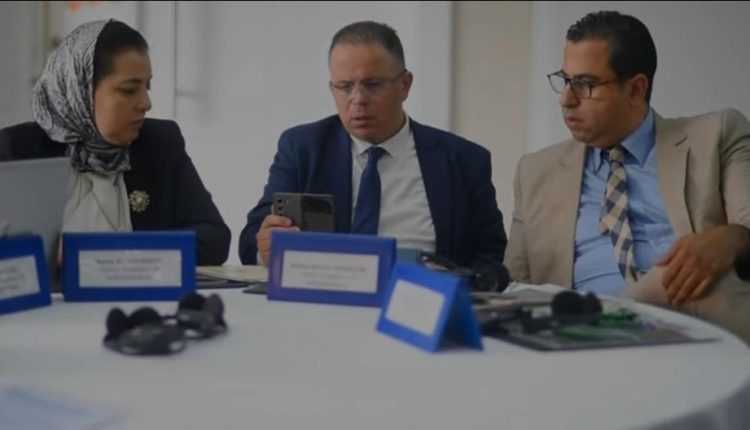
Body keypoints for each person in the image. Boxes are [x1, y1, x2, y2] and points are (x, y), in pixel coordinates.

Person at [505, 11, 750, 342]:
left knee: (686, 281)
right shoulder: (535, 172)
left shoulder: (715, 135)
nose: (566, 100)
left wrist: (732, 237)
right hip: (577, 338)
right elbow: (515, 288)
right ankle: (618, 317)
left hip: (695, 325)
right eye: (565, 80)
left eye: (585, 85)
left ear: (635, 90)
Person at [239, 21, 508, 289]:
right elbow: (251, 241)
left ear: (404, 85)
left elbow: (490, 255)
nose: (358, 99)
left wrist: (459, 287)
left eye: (373, 84)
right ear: (332, 89)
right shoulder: (303, 149)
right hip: (323, 300)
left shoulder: (462, 160)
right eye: (345, 86)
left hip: (421, 300)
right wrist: (266, 249)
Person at [0, 19, 231, 265]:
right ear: (80, 89)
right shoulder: (18, 151)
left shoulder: (159, 145)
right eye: (129, 90)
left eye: (147, 86)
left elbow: (214, 238)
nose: (146, 103)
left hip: (141, 290)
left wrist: (118, 254)